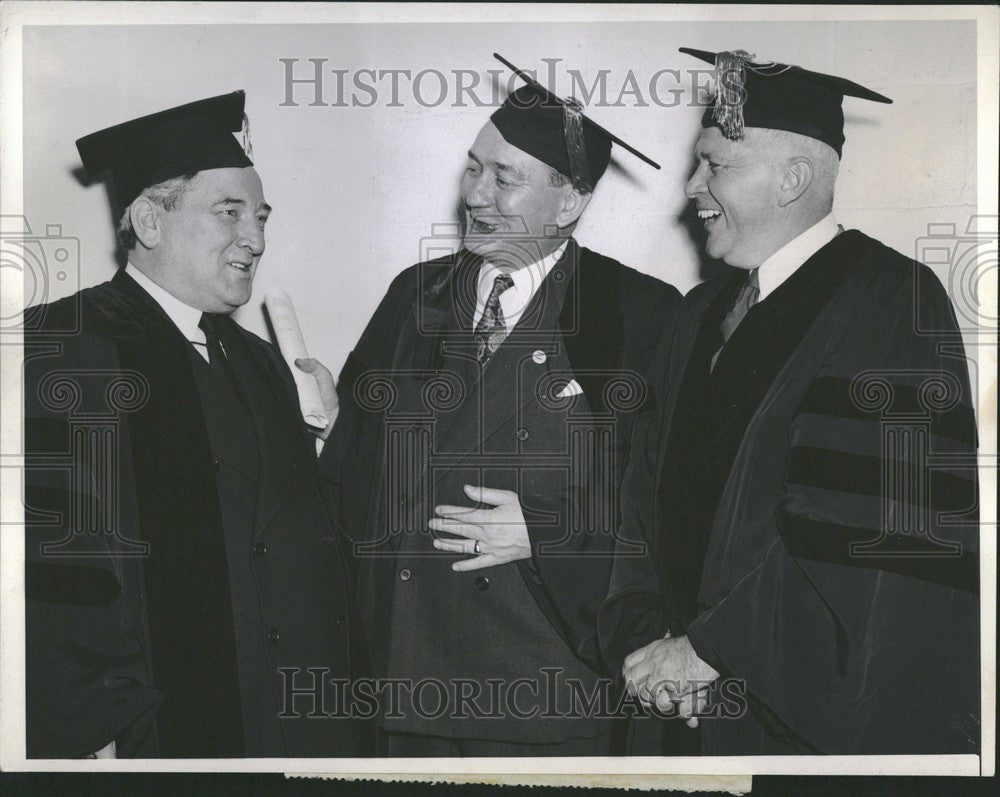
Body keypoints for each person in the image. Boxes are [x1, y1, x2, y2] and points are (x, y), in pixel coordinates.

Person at [602, 49, 980, 755]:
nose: (690, 186)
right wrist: (651, 641)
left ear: (793, 179)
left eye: (717, 165)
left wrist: (713, 649)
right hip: (672, 703)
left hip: (791, 716)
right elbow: (641, 497)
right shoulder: (696, 314)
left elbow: (878, 525)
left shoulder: (890, 298)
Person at [315, 56, 681, 756]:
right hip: (400, 688)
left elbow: (664, 499)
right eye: (473, 168)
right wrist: (322, 421)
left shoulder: (639, 314)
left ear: (569, 201)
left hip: (544, 697)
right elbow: (352, 470)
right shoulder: (411, 295)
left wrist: (549, 528)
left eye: (504, 179)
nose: (475, 195)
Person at [23, 91, 368, 758]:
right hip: (159, 729)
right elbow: (57, 569)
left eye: (261, 216)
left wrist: (332, 439)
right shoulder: (66, 346)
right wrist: (97, 728)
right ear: (150, 221)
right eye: (229, 213)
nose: (257, 239)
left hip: (299, 728)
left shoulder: (264, 364)